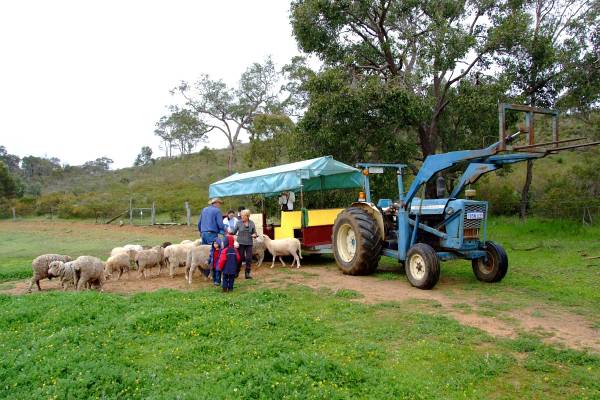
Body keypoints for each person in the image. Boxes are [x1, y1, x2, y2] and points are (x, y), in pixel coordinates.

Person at [198, 198, 225, 265]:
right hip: (212, 234)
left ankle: (205, 268)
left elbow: (199, 222)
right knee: (214, 250)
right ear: (216, 203)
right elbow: (220, 225)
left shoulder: (204, 209)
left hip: (203, 233)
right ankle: (213, 268)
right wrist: (225, 229)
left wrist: (201, 231)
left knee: (204, 251)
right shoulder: (217, 211)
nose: (220, 205)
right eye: (219, 204)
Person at [232, 209, 257, 279]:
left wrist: (254, 235)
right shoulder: (238, 223)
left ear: (247, 216)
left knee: (249, 258)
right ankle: (236, 272)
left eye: (243, 216)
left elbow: (255, 232)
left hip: (249, 243)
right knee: (240, 258)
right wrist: (230, 231)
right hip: (240, 243)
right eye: (241, 215)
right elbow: (234, 232)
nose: (242, 217)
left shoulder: (252, 223)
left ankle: (247, 273)